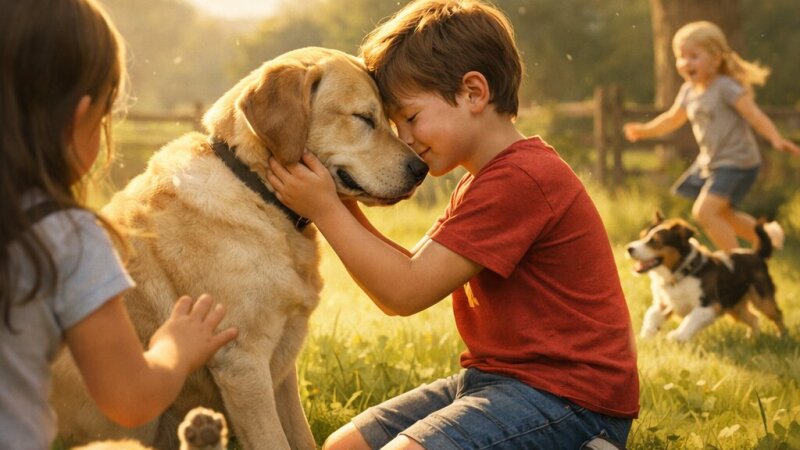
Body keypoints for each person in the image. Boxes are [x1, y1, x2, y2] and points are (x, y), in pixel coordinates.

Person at [267, 1, 639, 448]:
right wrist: (339, 195)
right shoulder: (486, 180)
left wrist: (326, 209)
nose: (403, 139)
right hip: (496, 380)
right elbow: (408, 270)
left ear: (473, 93)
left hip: (569, 399)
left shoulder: (521, 180)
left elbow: (404, 292)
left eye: (410, 118)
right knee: (345, 446)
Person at [0, 1, 238, 448]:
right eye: (106, 116)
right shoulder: (66, 237)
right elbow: (130, 399)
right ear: (78, 116)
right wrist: (175, 347)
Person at [623, 20, 800, 251]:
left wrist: (775, 137)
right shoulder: (688, 91)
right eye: (681, 56)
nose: (685, 62)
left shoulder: (726, 87)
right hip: (713, 162)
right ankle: (765, 236)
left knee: (704, 212)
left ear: (716, 59)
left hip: (738, 161)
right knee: (723, 213)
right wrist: (645, 131)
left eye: (694, 56)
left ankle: (734, 264)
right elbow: (672, 119)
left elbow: (754, 114)